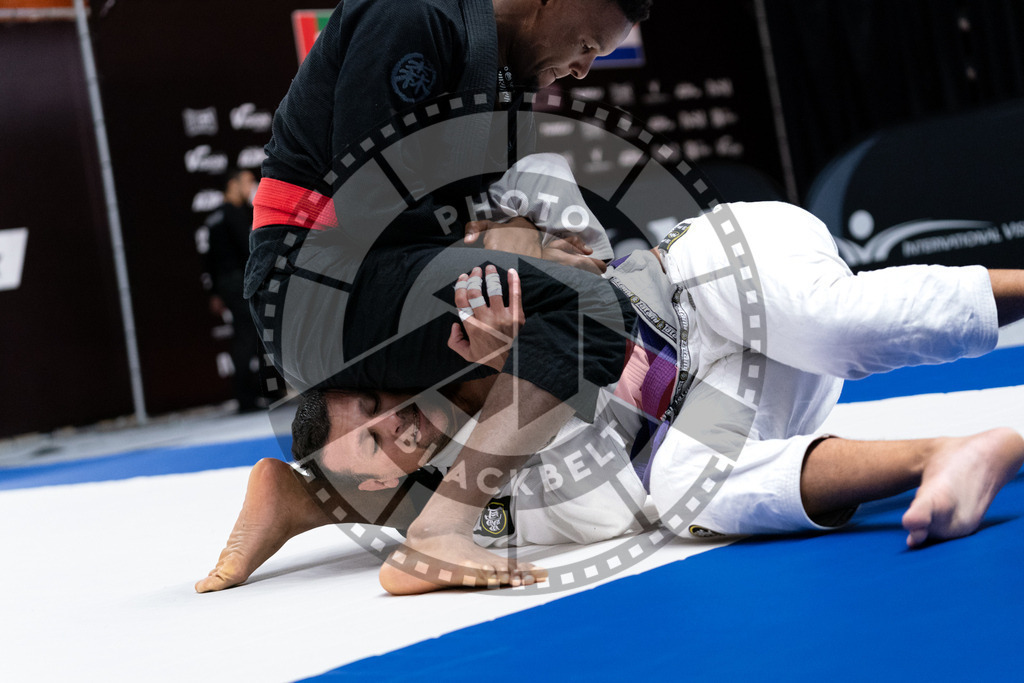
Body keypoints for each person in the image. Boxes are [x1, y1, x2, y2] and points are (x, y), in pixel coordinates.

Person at [197, 200, 1024, 595]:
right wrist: (292, 498)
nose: (398, 422)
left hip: (705, 283)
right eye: (378, 442)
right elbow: (333, 504)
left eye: (381, 404)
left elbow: (538, 211)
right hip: (715, 401)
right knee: (690, 489)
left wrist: (521, 266)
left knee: (833, 322)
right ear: (380, 487)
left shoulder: (460, 333)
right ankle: (950, 453)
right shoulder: (469, 505)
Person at [245, 0, 653, 587]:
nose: (583, 68)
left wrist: (522, 235)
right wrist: (517, 251)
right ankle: (439, 531)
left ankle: (309, 501)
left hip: (368, 275)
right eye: (587, 45)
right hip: (314, 288)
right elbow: (369, 208)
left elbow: (494, 195)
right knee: (589, 310)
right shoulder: (415, 14)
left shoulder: (510, 68)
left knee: (518, 349)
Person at [200, 169, 262, 412]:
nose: (251, 187)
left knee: (246, 335)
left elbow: (209, 260)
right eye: (247, 182)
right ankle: (246, 398)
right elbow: (248, 250)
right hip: (240, 282)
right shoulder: (235, 215)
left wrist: (215, 292)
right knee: (248, 336)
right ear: (232, 184)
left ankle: (254, 393)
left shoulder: (215, 217)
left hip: (229, 284)